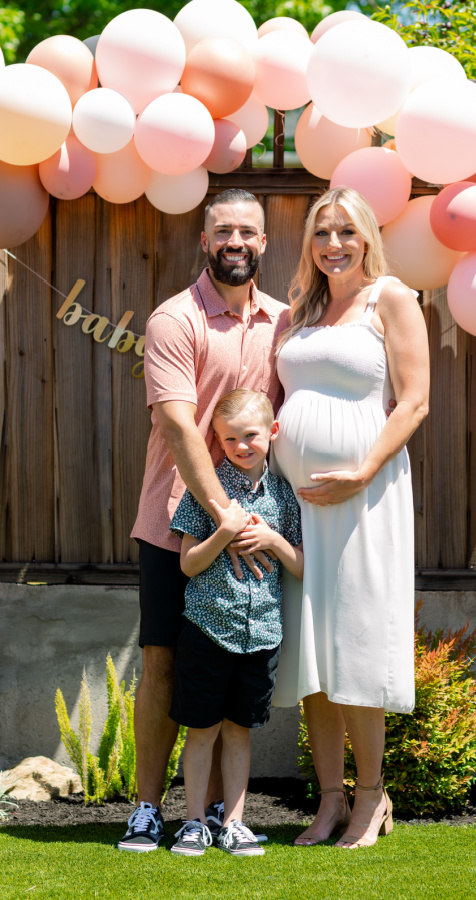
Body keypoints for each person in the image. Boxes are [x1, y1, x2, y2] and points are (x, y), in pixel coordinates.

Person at [119, 190, 290, 853]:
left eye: (247, 231)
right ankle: (145, 809)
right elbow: (178, 425)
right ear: (204, 241)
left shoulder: (284, 322)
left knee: (232, 665)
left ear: (264, 242)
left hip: (258, 525)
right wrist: (225, 517)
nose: (235, 241)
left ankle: (216, 811)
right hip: (177, 522)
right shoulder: (175, 319)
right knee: (164, 661)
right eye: (223, 231)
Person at [270, 186, 430, 849]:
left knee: (355, 642)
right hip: (298, 503)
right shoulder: (299, 311)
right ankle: (331, 799)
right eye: (321, 232)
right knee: (311, 651)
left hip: (364, 497)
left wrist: (362, 470)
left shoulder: (390, 298)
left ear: (367, 238)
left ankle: (372, 796)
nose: (333, 244)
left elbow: (414, 402)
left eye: (345, 232)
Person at [167, 389, 303, 858]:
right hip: (208, 629)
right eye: (229, 439)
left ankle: (234, 824)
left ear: (272, 432)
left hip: (261, 634)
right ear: (217, 441)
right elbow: (188, 564)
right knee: (202, 731)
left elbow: (301, 567)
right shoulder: (206, 493)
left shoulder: (283, 496)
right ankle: (193, 823)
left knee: (239, 732)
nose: (241, 446)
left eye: (250, 435)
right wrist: (224, 530)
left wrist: (273, 540)